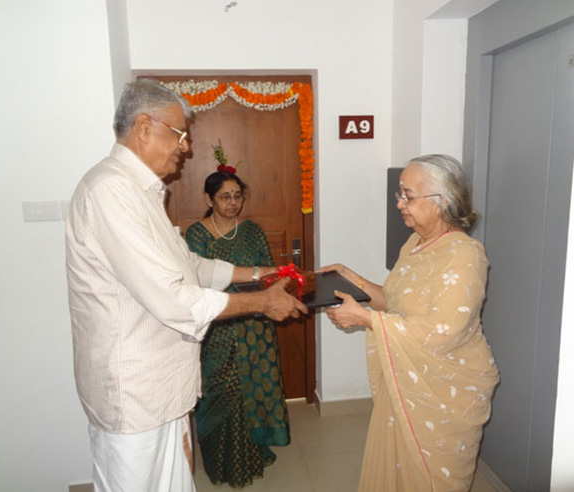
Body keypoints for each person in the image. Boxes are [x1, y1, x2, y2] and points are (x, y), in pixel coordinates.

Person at [65, 79, 307, 492]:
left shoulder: (141, 192)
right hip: (135, 392)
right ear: (144, 127)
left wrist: (255, 274)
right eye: (179, 133)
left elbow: (187, 265)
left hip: (162, 386)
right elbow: (176, 299)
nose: (186, 147)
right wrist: (261, 303)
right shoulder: (111, 191)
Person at [321, 154, 499, 492]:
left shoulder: (464, 255)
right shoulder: (415, 243)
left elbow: (443, 333)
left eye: (407, 195)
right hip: (408, 379)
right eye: (399, 194)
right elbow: (394, 301)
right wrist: (350, 278)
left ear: (442, 201)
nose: (399, 204)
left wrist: (367, 320)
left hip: (445, 389)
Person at [185, 170, 290, 487]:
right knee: (222, 391)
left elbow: (268, 273)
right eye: (225, 196)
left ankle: (251, 455)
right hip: (216, 328)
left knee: (253, 389)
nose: (233, 203)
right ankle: (222, 463)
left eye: (237, 196)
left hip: (254, 326)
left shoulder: (252, 231)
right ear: (208, 199)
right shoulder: (196, 236)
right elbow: (196, 282)